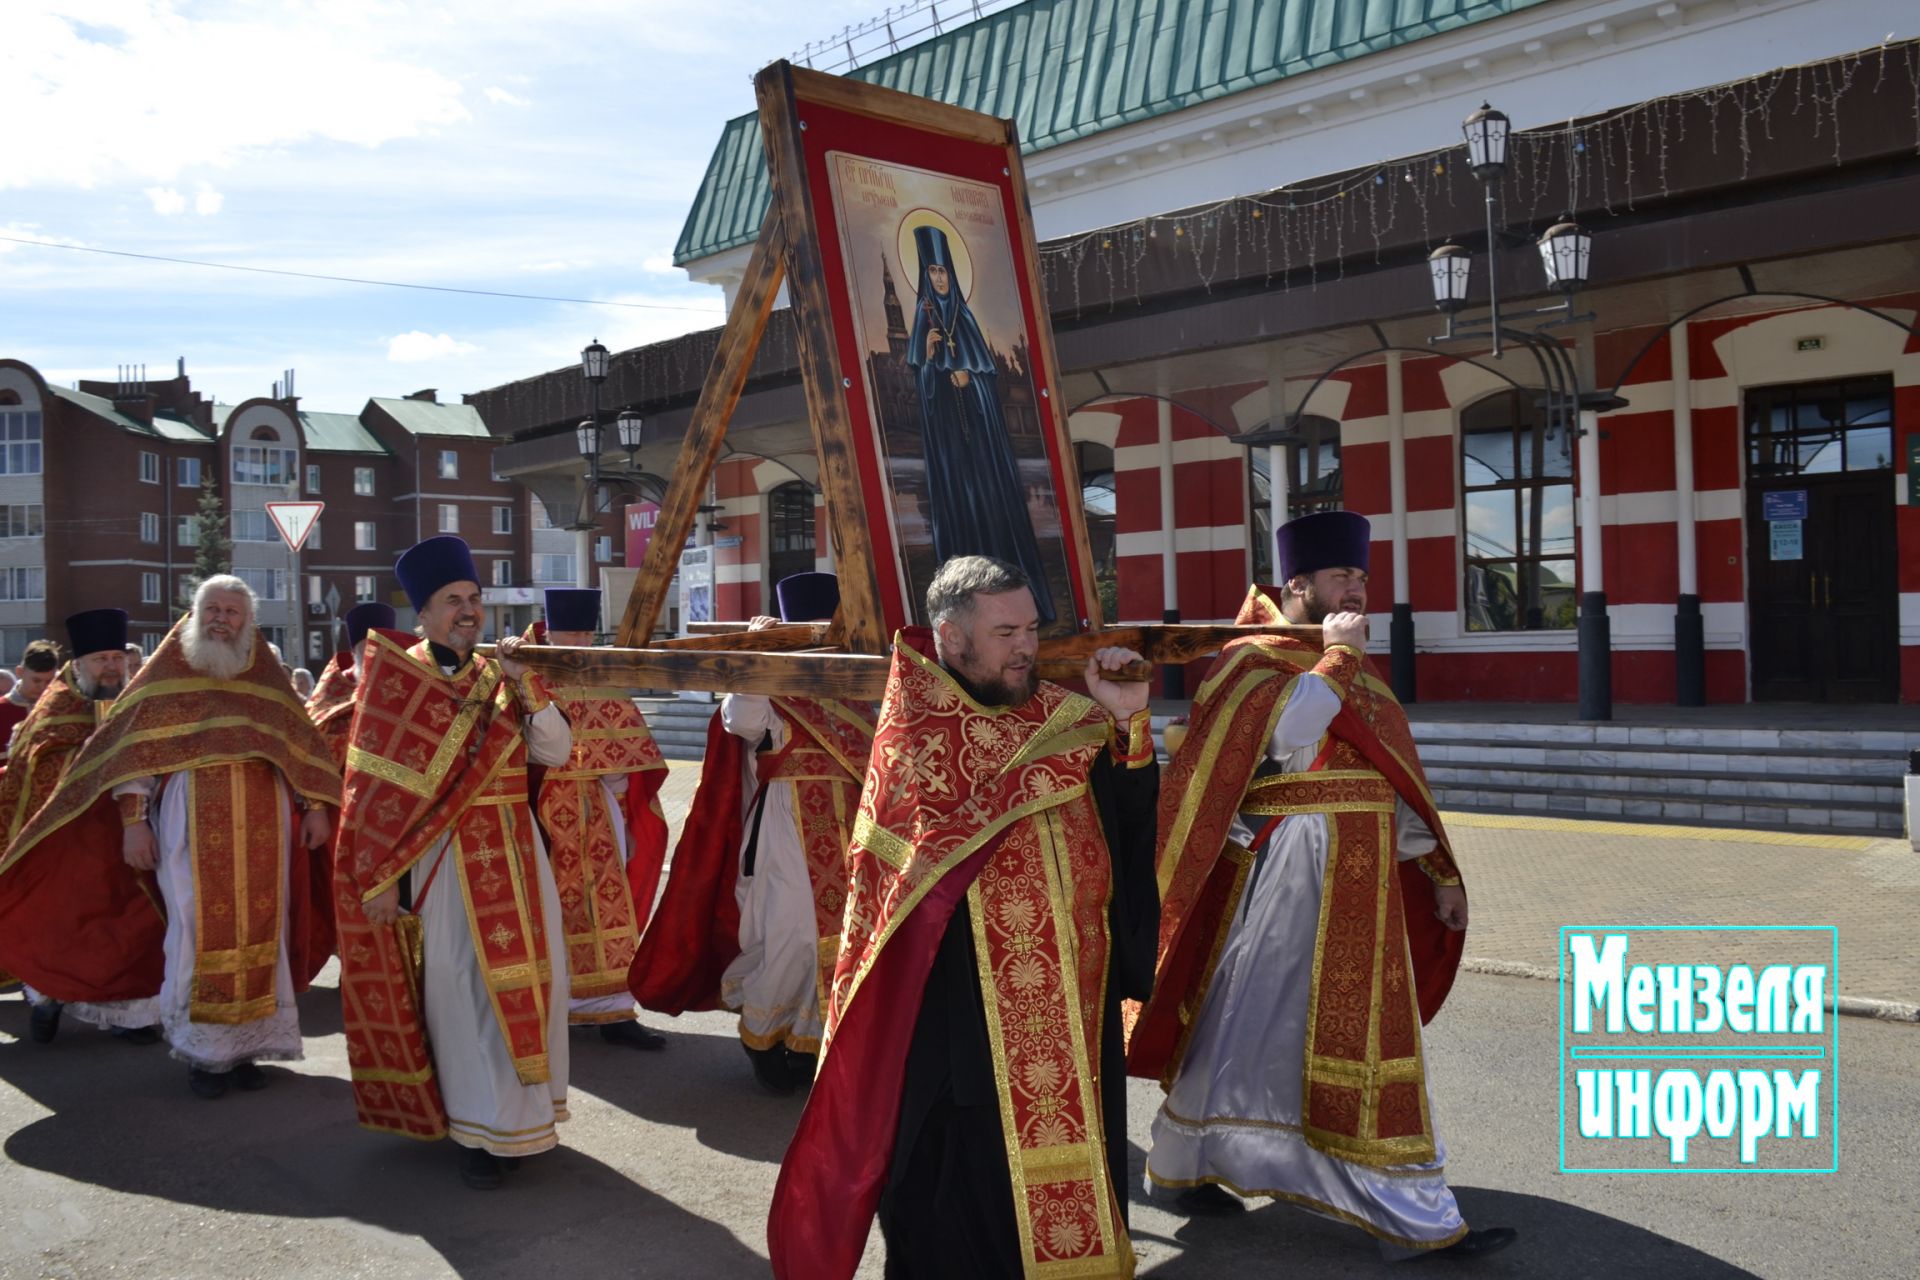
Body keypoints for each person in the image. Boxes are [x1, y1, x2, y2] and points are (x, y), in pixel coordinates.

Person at [1130, 511, 1514, 1260]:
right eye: (1344, 577)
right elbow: (1289, 736)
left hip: (1362, 868)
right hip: (1289, 869)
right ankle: (1411, 1214)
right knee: (1265, 1016)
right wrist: (1336, 661)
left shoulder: (1350, 660)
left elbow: (1387, 775)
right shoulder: (1251, 659)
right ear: (1297, 584)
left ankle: (1183, 1162)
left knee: (1250, 1023)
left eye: (1364, 578)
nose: (1359, 591)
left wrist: (1435, 868)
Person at [767, 555, 1160, 1280]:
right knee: (956, 1227)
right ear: (950, 639)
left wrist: (1128, 724)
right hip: (962, 1041)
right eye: (1005, 632)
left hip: (1068, 1021)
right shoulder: (914, 738)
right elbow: (897, 908)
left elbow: (1127, 835)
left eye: (1031, 629)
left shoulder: (1064, 719)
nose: (1025, 648)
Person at [2, 581, 339, 1096]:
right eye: (213, 610)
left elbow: (299, 744)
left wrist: (315, 807)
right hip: (191, 823)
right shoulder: (167, 674)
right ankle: (205, 1054)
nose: (221, 620)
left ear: (249, 621)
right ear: (194, 615)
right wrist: (134, 822)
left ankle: (246, 1048)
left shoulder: (265, 677)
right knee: (196, 931)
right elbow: (130, 755)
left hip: (266, 824)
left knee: (265, 931)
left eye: (233, 611)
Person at [334, 536, 573, 1190]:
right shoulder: (398, 676)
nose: (468, 611)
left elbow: (556, 752)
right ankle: (475, 1129)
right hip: (444, 864)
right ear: (425, 612)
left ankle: (525, 1119)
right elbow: (374, 797)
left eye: (473, 599)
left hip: (517, 853)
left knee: (532, 985)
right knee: (461, 995)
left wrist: (532, 690)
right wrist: (383, 879)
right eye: (452, 601)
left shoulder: (504, 676)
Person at [631, 573, 873, 1095]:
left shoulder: (857, 686)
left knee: (843, 940)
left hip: (851, 828)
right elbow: (739, 721)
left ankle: (815, 1042)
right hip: (786, 832)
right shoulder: (772, 686)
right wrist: (757, 654)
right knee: (788, 937)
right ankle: (765, 1040)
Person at [528, 587, 671, 1050]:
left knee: (611, 906)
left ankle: (614, 1011)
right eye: (575, 630)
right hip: (544, 810)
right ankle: (551, 1009)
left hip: (598, 814)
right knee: (551, 908)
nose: (584, 639)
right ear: (551, 632)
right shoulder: (528, 677)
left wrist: (624, 806)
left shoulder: (601, 676)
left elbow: (623, 762)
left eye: (589, 631)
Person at [0, 610, 141, 1043]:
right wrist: (88, 757)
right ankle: (46, 1000)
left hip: (119, 837)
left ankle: (123, 1014)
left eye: (117, 658)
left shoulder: (135, 702)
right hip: (62, 840)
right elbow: (33, 764)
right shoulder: (56, 705)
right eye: (101, 659)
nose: (112, 667)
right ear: (78, 665)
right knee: (61, 925)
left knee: (122, 925)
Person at [904, 224, 1054, 625]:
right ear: (923, 275)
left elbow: (990, 381)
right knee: (959, 512)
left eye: (943, 271)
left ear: (952, 275)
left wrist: (971, 382)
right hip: (950, 448)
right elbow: (921, 392)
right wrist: (931, 360)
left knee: (989, 508)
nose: (938, 278)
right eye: (931, 271)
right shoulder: (924, 321)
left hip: (983, 449)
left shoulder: (965, 319)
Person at [306, 602, 396, 769]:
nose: (376, 652)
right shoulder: (335, 684)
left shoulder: (402, 684)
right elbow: (314, 730)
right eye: (369, 646)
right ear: (355, 651)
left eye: (385, 646)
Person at [0, 639, 61, 752]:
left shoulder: (61, 710)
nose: (43, 688)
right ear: (20, 672)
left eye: (49, 681)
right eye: (36, 681)